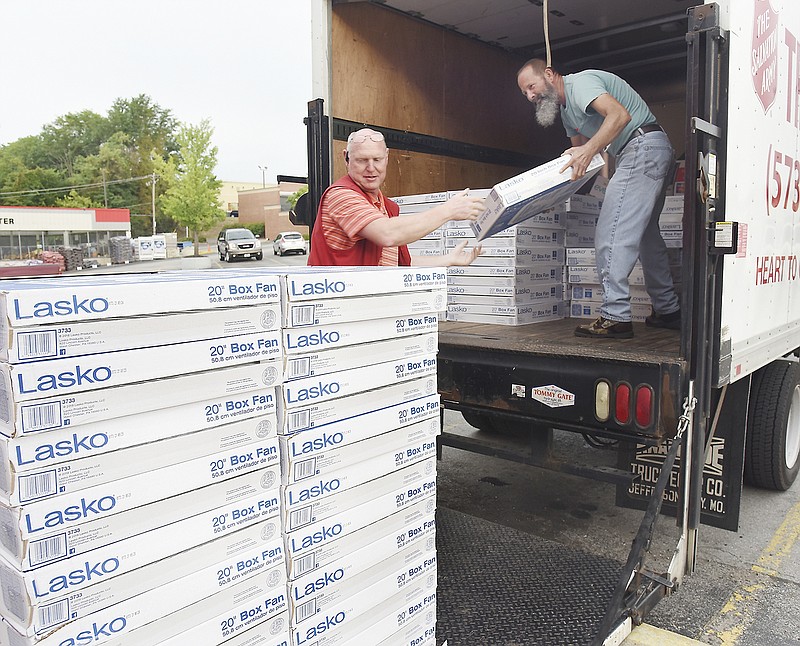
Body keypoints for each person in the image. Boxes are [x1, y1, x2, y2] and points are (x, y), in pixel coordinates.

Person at [516, 60, 681, 339]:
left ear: (548, 74)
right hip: (649, 149)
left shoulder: (579, 85)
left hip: (641, 148)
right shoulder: (567, 111)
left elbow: (619, 116)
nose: (531, 96)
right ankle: (668, 310)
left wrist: (590, 149)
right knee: (646, 236)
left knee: (611, 232)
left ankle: (615, 316)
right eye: (525, 94)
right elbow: (580, 155)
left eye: (531, 87)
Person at [307, 128, 485, 267]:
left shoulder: (386, 207)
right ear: (346, 158)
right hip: (340, 309)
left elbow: (400, 263)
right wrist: (449, 210)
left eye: (377, 159)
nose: (371, 168)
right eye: (362, 160)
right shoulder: (340, 196)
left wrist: (448, 259)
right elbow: (387, 234)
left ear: (387, 158)